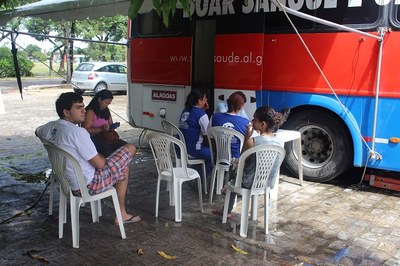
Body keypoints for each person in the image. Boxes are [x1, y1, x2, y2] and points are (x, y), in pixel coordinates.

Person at [36, 92, 140, 224]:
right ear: (66, 112)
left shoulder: (49, 127)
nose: (84, 111)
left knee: (121, 167)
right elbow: (100, 164)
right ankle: (121, 214)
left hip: (68, 183)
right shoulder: (78, 132)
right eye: (79, 108)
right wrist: (101, 156)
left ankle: (122, 213)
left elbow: (37, 130)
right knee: (130, 148)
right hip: (90, 185)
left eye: (83, 107)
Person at [215, 106, 287, 219]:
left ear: (263, 124)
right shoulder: (279, 142)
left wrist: (247, 136)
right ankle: (227, 189)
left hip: (249, 182)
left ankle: (227, 194)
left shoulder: (253, 141)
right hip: (267, 182)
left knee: (234, 166)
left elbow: (242, 159)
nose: (252, 121)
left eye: (254, 119)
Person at [82, 89, 127, 158]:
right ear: (99, 99)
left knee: (127, 147)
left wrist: (112, 126)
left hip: (106, 136)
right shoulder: (90, 111)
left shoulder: (106, 110)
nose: (107, 105)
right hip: (93, 138)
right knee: (107, 150)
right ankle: (109, 167)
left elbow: (110, 123)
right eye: (106, 103)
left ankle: (120, 165)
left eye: (108, 103)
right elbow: (85, 130)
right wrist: (101, 129)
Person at [178, 89, 212, 174]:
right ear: (199, 101)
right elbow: (207, 135)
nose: (206, 101)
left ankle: (194, 172)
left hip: (180, 148)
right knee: (214, 156)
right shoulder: (202, 115)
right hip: (193, 149)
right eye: (204, 99)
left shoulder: (185, 110)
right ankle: (198, 177)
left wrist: (202, 111)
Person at [210, 91, 249, 159]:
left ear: (227, 102)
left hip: (218, 158)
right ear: (241, 107)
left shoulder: (214, 117)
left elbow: (211, 137)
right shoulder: (246, 123)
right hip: (236, 160)